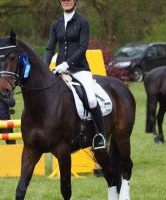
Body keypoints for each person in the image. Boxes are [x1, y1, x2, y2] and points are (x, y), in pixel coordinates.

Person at [44, 0, 106, 150]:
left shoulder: (82, 22)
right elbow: (50, 48)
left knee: (91, 99)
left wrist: (67, 64)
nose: (66, 1)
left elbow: (83, 47)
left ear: (75, 1)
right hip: (60, 69)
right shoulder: (55, 24)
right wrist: (44, 66)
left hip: (80, 69)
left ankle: (100, 136)